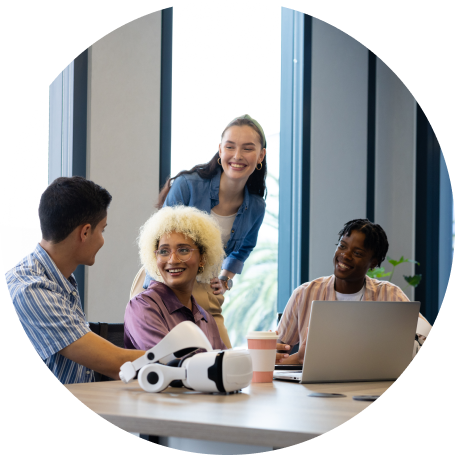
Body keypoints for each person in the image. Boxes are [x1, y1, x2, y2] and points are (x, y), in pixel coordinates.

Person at [138, 114, 268, 349]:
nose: (237, 156)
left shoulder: (256, 206)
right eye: (230, 147)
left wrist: (225, 279)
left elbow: (243, 249)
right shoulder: (187, 186)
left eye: (247, 149)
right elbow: (161, 241)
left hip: (204, 290)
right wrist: (156, 294)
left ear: (260, 156)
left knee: (224, 365)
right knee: (170, 364)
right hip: (162, 283)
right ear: (220, 150)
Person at [6, 176, 145, 384]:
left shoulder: (59, 280)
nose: (102, 239)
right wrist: (188, 361)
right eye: (102, 229)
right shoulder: (31, 290)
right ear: (85, 232)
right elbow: (116, 362)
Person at [124, 205, 291, 364]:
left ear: (203, 258)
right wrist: (249, 356)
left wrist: (259, 355)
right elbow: (171, 362)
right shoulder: (142, 307)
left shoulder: (205, 318)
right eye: (164, 251)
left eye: (183, 250)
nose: (172, 260)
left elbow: (223, 363)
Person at [277, 219, 432, 364]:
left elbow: (424, 332)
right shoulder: (305, 294)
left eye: (357, 253)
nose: (345, 255)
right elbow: (278, 354)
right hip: (314, 390)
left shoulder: (390, 294)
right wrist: (291, 357)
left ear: (373, 262)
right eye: (342, 246)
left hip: (372, 387)